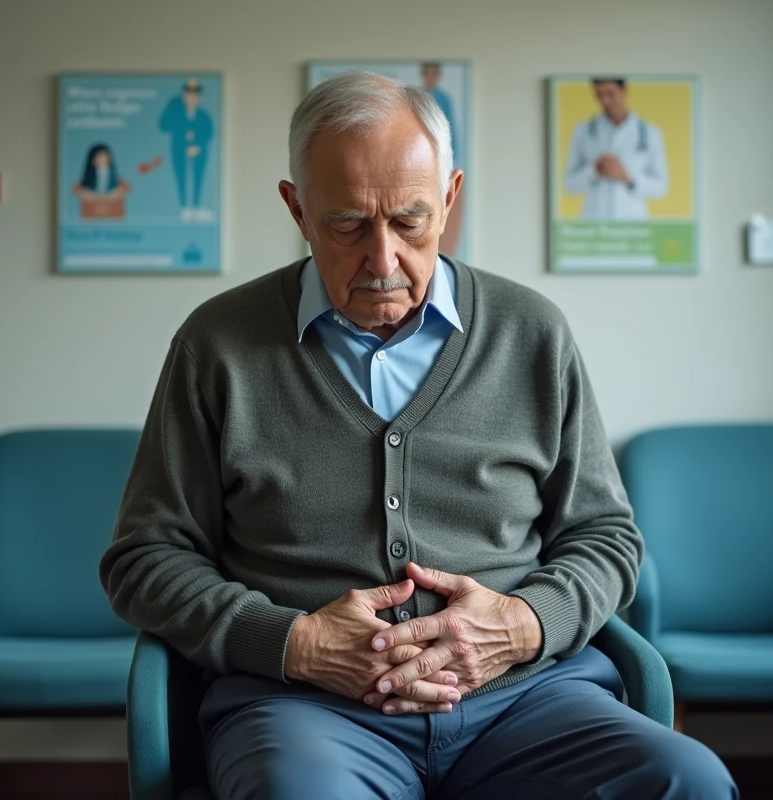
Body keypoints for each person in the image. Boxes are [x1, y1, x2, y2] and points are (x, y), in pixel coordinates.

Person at [101, 72, 736, 800]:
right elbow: (145, 559)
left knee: (687, 781)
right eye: (347, 226)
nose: (382, 261)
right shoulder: (217, 346)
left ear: (450, 197)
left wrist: (523, 624)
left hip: (527, 703)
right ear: (297, 208)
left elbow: (607, 538)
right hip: (306, 710)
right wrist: (295, 643)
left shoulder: (532, 333)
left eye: (410, 221)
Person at [564, 77, 668, 220]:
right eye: (599, 95)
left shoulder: (650, 133)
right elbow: (569, 185)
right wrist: (594, 171)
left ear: (624, 90)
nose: (605, 101)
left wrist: (627, 177)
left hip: (632, 223)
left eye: (610, 94)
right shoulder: (583, 131)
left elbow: (661, 187)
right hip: (594, 222)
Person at [420, 62, 464, 256]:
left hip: (440, 163)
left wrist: (452, 161)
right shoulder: (415, 97)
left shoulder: (444, 99)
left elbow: (451, 132)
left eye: (433, 74)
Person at [158, 78, 214, 222]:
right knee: (181, 177)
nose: (192, 97)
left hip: (199, 152)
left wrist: (198, 146)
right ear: (183, 95)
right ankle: (183, 207)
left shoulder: (203, 115)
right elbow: (163, 125)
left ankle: (196, 206)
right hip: (179, 150)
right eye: (188, 94)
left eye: (195, 94)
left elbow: (209, 132)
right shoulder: (176, 111)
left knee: (198, 178)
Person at [71, 143, 129, 219]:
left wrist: (116, 193)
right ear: (92, 160)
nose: (102, 160)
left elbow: (126, 188)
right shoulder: (87, 179)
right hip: (91, 213)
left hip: (112, 213)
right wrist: (86, 193)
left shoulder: (116, 179)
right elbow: (75, 189)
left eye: (105, 157)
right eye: (99, 157)